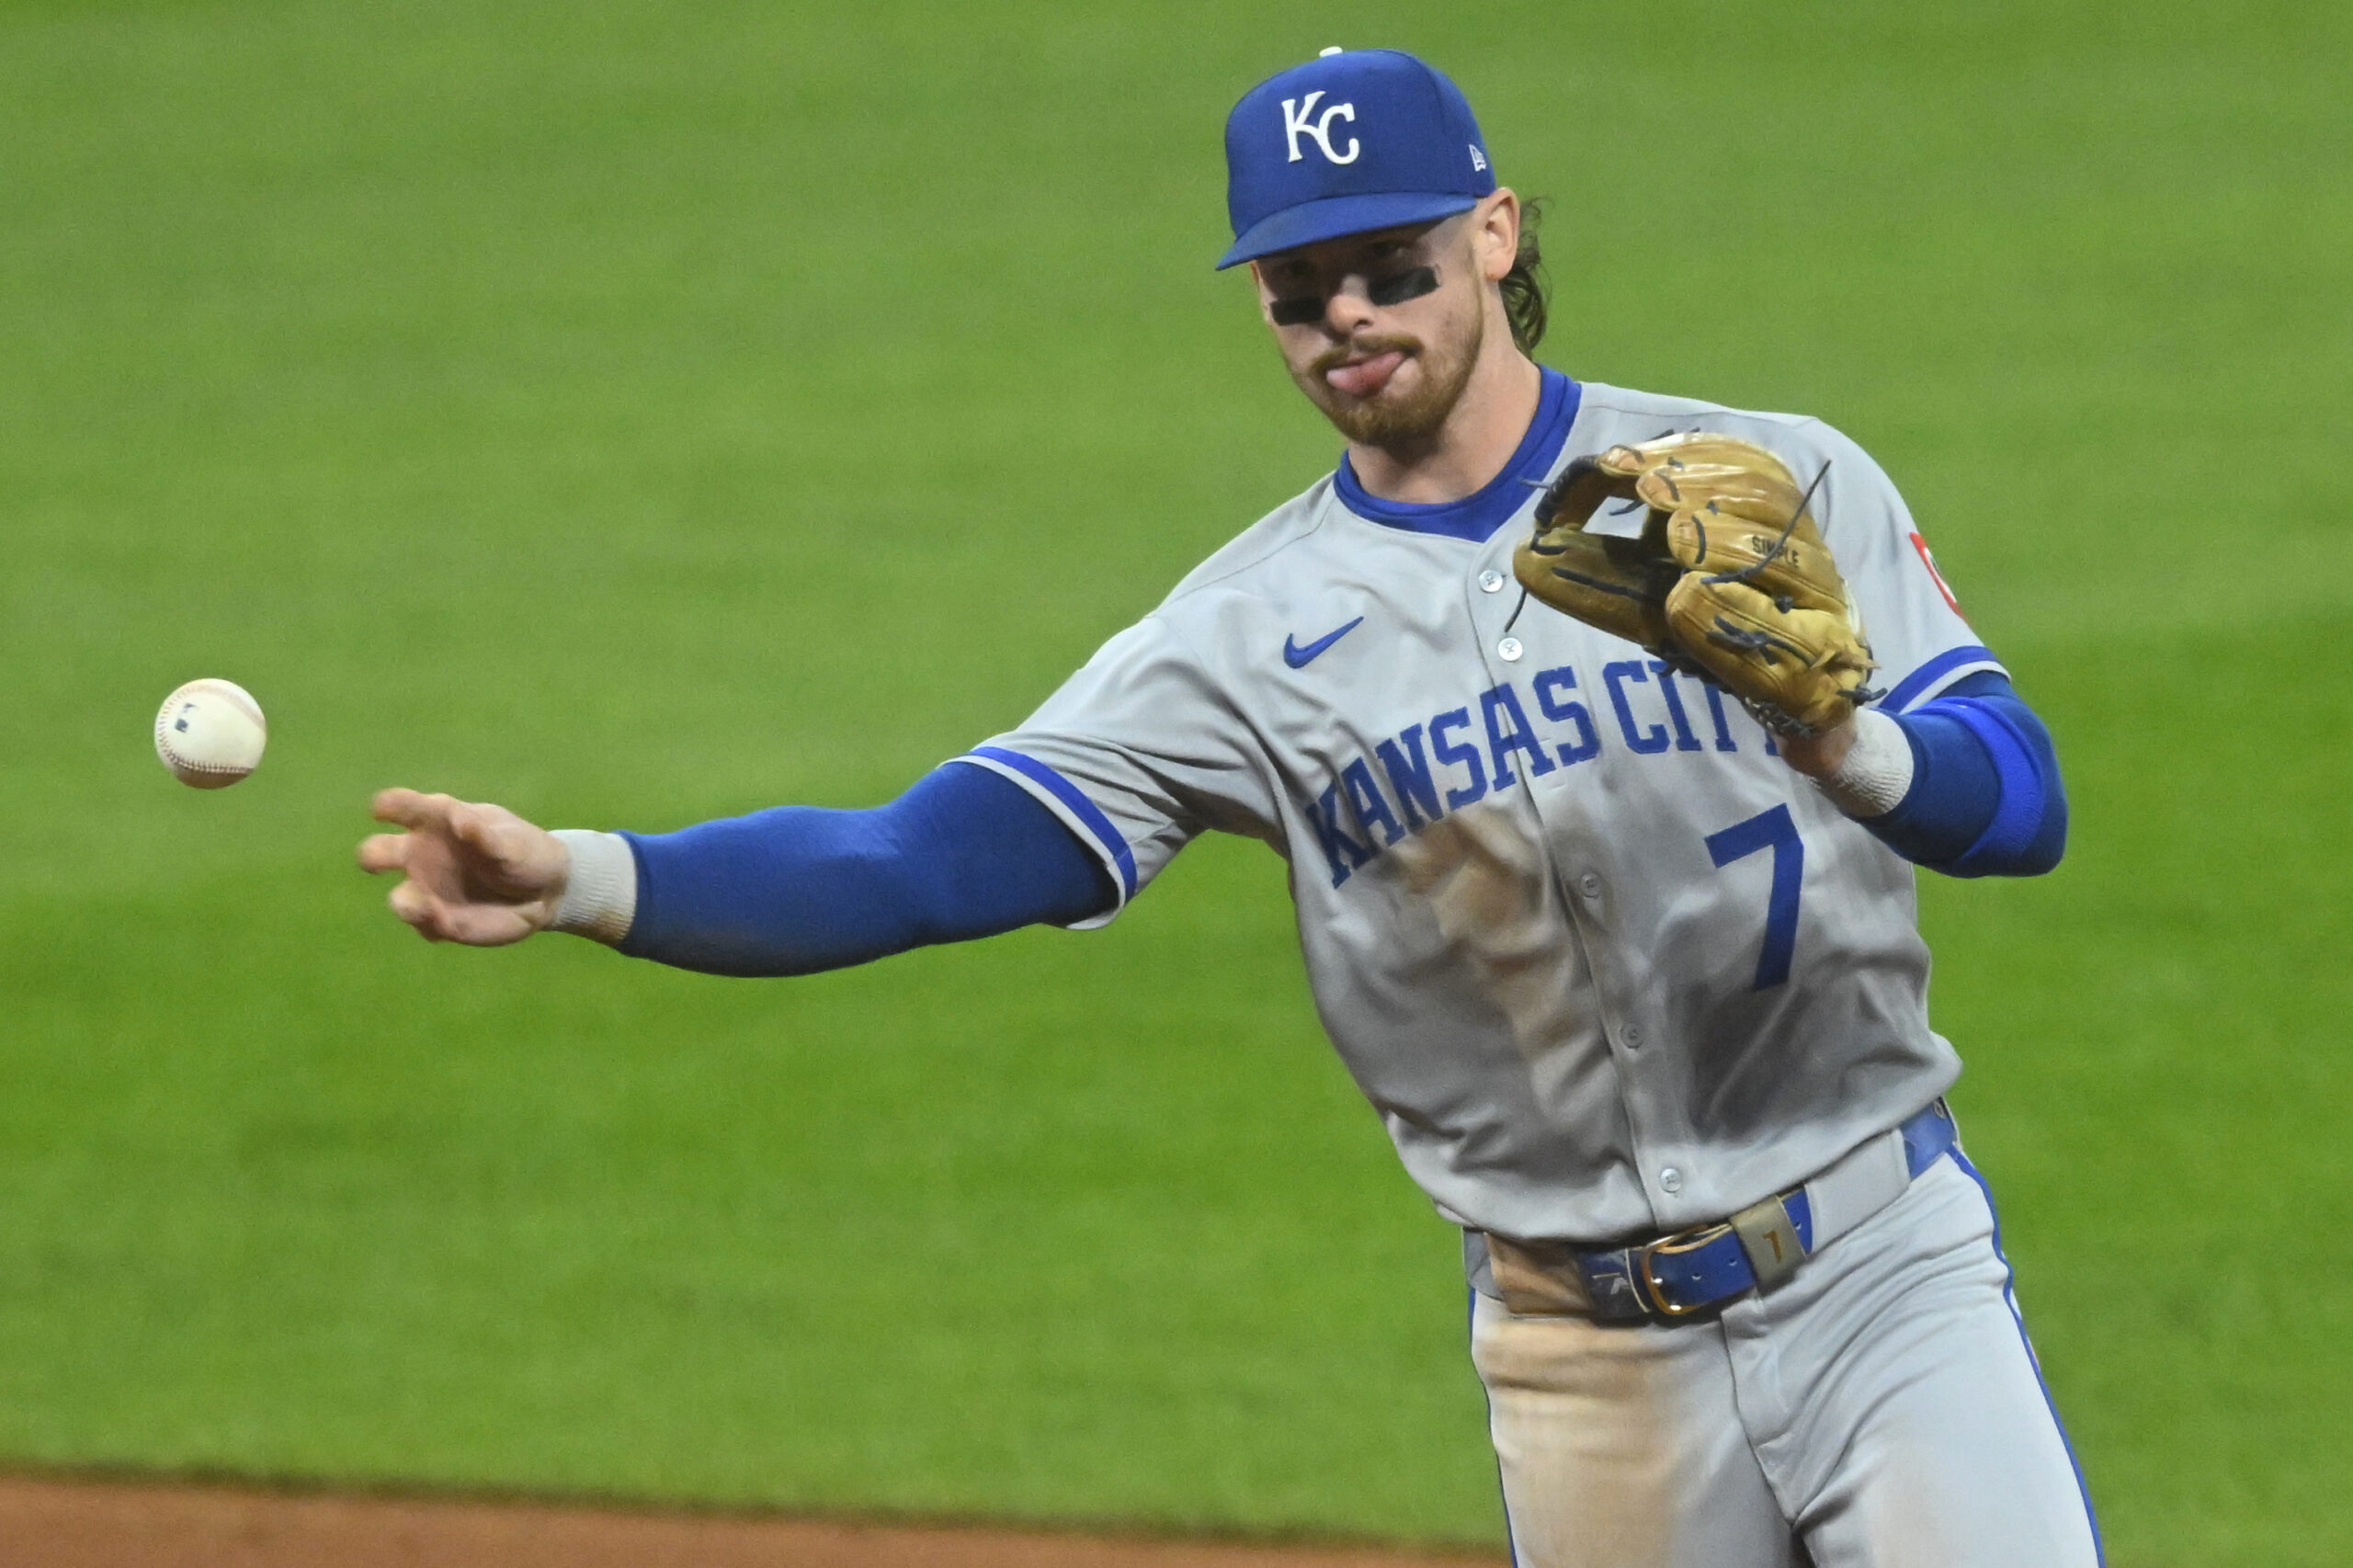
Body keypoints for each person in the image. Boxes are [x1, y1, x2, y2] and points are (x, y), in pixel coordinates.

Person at [358, 47, 2097, 1568]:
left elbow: (2021, 801)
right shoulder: (1240, 640)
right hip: (1587, 1366)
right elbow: (919, 856)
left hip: (1884, 1273)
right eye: (1297, 286)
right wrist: (590, 876)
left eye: (1390, 265)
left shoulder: (1759, 476)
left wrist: (1847, 742)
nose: (1348, 314)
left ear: (1495, 234)